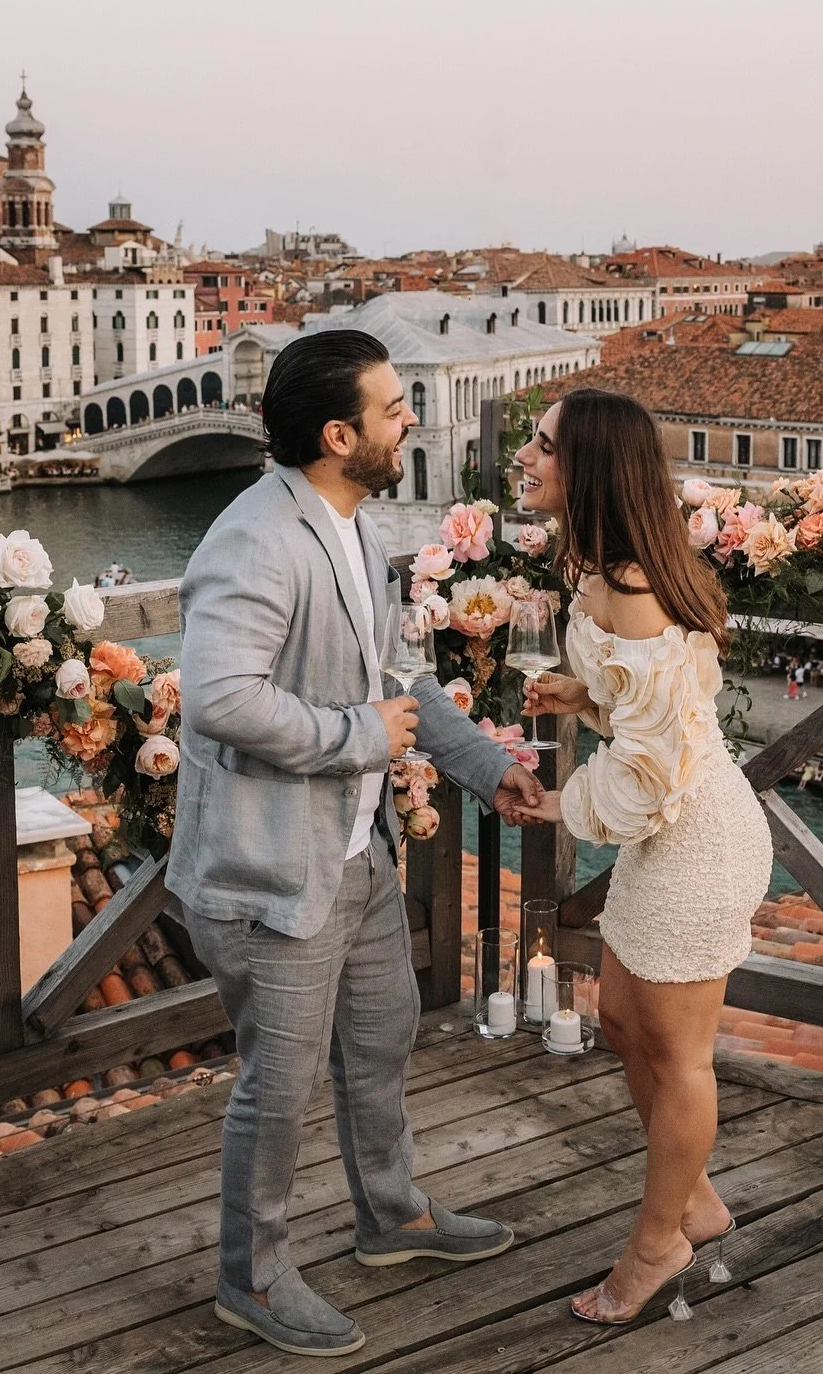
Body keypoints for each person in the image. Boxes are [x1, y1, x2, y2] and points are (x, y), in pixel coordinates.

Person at [169, 329, 544, 1358]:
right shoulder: (255, 538)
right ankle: (251, 1274)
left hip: (356, 852)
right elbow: (219, 699)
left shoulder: (351, 524)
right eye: (392, 406)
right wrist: (354, 738)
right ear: (340, 435)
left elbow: (394, 681)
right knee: (278, 1087)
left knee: (382, 1036)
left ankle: (390, 1213)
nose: (409, 416)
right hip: (272, 870)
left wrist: (484, 764)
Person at [514, 387, 773, 1327]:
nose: (526, 456)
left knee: (679, 1053)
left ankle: (659, 1240)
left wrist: (559, 802)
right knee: (622, 1019)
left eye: (545, 445)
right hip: (670, 834)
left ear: (588, 467)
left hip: (696, 837)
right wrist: (580, 694)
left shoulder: (631, 588)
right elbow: (655, 700)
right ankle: (692, 1200)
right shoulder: (603, 571)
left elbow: (654, 766)